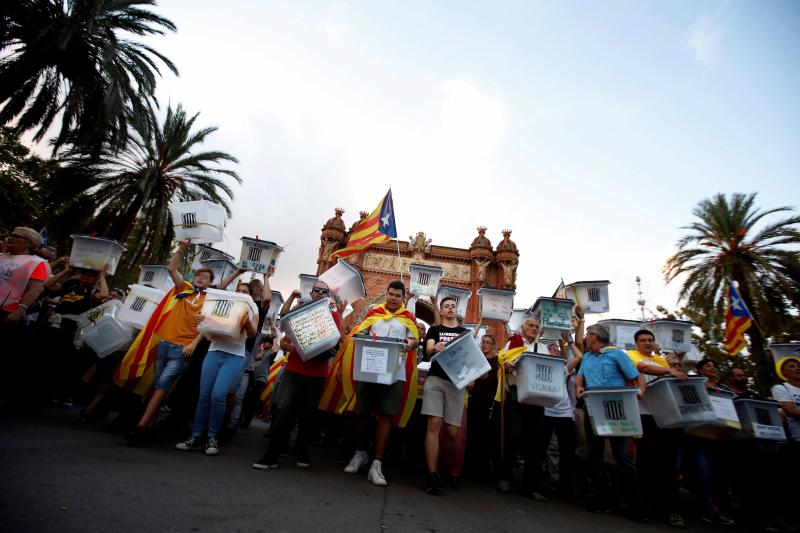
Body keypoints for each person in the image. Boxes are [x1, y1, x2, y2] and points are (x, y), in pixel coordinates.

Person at [126, 240, 211, 445]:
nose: (200, 278)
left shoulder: (210, 300)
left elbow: (207, 328)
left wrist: (193, 344)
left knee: (162, 386)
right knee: (158, 386)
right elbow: (171, 268)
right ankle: (149, 426)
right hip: (165, 343)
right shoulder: (185, 288)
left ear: (210, 282)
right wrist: (181, 248)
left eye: (205, 277)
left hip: (183, 349)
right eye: (198, 275)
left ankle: (140, 426)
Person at [252, 280, 343, 470]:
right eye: (316, 290)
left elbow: (336, 342)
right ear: (311, 292)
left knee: (308, 415)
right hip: (294, 370)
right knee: (284, 411)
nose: (319, 293)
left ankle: (302, 451)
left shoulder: (333, 316)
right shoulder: (297, 311)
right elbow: (285, 336)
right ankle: (272, 455)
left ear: (327, 296)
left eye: (323, 291)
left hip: (317, 373)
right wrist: (284, 344)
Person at [342, 281, 420, 487]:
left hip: (395, 373)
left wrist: (410, 343)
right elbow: (362, 334)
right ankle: (360, 454)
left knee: (386, 415)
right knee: (362, 412)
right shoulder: (373, 313)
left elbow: (415, 340)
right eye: (390, 294)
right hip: (369, 369)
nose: (393, 298)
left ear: (403, 298)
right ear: (386, 294)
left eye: (397, 295)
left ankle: (377, 463)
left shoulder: (408, 318)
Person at [176, 282, 257, 455]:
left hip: (234, 356)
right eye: (238, 290)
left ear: (250, 295)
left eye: (245, 291)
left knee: (219, 395)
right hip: (213, 351)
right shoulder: (222, 303)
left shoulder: (252, 308)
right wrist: (200, 320)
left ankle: (212, 437)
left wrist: (248, 324)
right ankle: (196, 435)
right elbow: (206, 328)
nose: (241, 293)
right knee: (204, 395)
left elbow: (252, 334)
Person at [574, 323, 646, 520]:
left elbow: (637, 377)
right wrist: (579, 388)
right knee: (595, 456)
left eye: (588, 335)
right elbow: (579, 379)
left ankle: (636, 505)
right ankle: (602, 500)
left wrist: (641, 393)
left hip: (617, 411)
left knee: (622, 456)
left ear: (596, 336)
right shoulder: (587, 357)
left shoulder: (617, 354)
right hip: (593, 409)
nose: (586, 338)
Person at [626, 329, 688, 528]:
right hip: (643, 416)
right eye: (643, 340)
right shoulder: (630, 356)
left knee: (669, 465)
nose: (647, 343)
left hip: (664, 416)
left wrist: (672, 368)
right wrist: (669, 370)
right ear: (636, 343)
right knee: (645, 462)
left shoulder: (661, 360)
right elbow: (642, 368)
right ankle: (644, 507)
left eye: (650, 340)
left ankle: (672, 510)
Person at [418, 296, 467, 494]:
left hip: (456, 384)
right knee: (434, 424)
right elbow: (429, 348)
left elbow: (469, 357)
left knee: (452, 432)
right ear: (441, 310)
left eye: (453, 306)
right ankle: (432, 474)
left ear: (457, 310)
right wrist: (434, 347)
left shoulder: (464, 333)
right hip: (436, 380)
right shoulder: (435, 330)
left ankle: (444, 468)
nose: (450, 309)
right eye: (446, 306)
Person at [495, 316, 547, 499]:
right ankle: (505, 477)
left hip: (537, 398)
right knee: (512, 436)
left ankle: (531, 487)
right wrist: (507, 365)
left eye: (536, 326)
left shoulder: (543, 348)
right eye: (530, 325)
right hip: (516, 394)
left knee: (535, 442)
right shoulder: (514, 344)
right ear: (523, 328)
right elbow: (502, 360)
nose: (534, 328)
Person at [0, 227, 48, 407]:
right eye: (10, 234)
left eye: (16, 236)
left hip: (7, 313)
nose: (10, 238)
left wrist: (19, 310)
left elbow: (34, 290)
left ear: (29, 243)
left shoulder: (36, 263)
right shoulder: (1, 257)